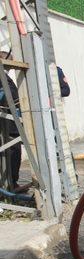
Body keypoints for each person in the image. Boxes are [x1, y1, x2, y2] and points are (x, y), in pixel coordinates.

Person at [0, 51, 21, 191]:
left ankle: (12, 182)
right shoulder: (3, 78)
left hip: (10, 119)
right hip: (7, 120)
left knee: (13, 149)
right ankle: (10, 183)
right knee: (13, 149)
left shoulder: (5, 78)